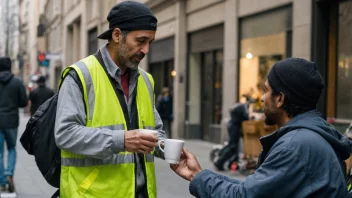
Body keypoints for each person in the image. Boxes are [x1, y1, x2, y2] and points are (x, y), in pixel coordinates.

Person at [171, 58, 350, 197]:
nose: (262, 99)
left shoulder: (295, 146)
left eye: (266, 91)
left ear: (280, 99)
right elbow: (254, 188)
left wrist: (198, 177)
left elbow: (245, 196)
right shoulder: (308, 137)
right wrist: (199, 174)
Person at [54, 1, 165, 198]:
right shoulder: (80, 75)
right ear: (116, 35)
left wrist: (169, 149)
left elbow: (155, 131)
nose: (146, 50)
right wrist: (121, 140)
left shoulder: (146, 80)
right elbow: (65, 133)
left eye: (150, 42)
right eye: (140, 41)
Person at [0, 57, 28, 193]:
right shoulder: (17, 82)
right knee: (11, 148)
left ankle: (1, 181)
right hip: (11, 121)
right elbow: (23, 102)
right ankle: (9, 174)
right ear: (10, 66)